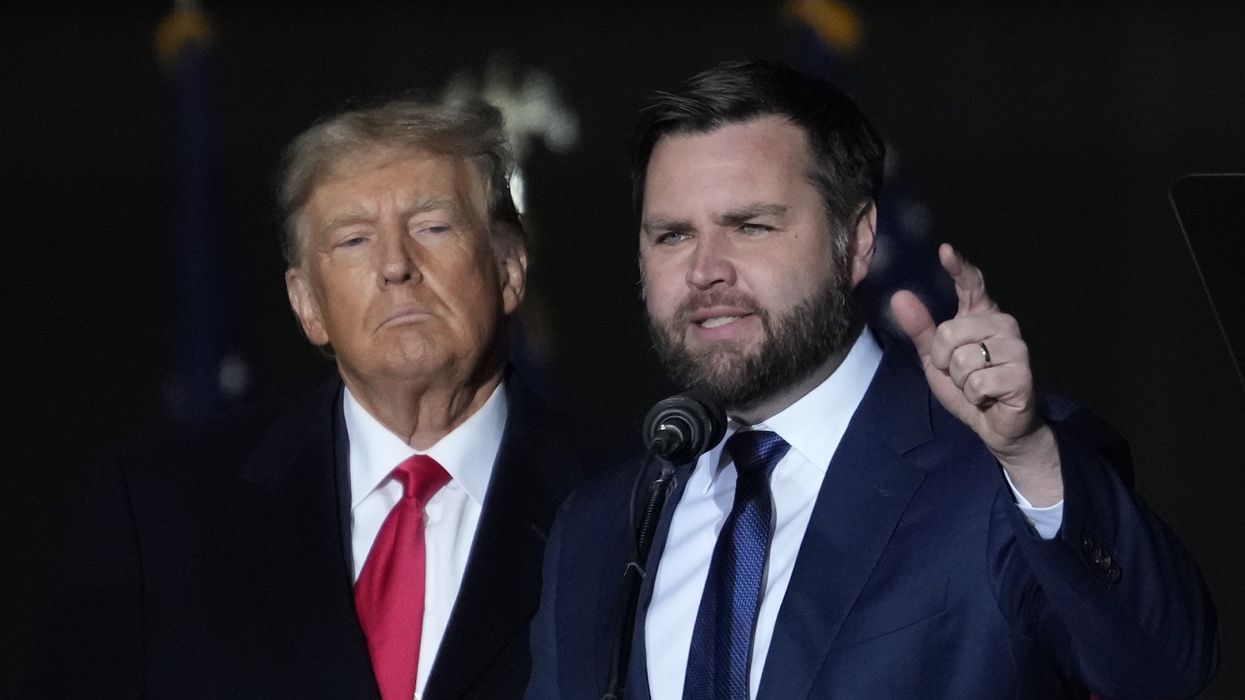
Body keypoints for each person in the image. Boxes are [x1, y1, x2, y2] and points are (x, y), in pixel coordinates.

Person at [527, 60, 1218, 699]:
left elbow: (1162, 668)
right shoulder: (597, 528)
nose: (706, 269)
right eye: (672, 235)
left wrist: (1030, 458)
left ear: (856, 240)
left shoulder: (998, 474)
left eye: (751, 226)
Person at [27, 97, 591, 699]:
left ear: (508, 271)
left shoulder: (627, 503)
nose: (396, 265)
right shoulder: (161, 510)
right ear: (307, 305)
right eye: (353, 240)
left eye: (432, 226)